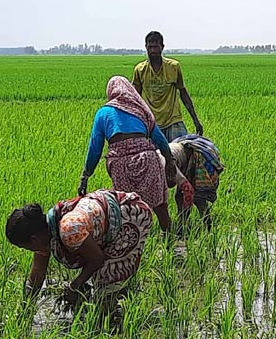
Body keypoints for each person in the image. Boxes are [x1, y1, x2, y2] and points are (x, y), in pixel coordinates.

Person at [77, 76, 192, 232]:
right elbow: (160, 139)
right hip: (148, 159)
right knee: (160, 206)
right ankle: (170, 240)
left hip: (120, 164)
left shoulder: (103, 113)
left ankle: (132, 244)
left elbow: (95, 148)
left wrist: (85, 175)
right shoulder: (142, 110)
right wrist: (169, 162)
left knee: (127, 209)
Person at [6, 189, 153, 306]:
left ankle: (116, 319)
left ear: (34, 239)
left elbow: (97, 259)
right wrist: (26, 306)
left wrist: (74, 286)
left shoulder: (68, 230)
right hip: (105, 219)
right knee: (96, 284)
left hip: (129, 215)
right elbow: (37, 273)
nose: (30, 251)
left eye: (25, 247)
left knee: (107, 285)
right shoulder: (45, 233)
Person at [131, 31, 203, 141]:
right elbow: (135, 98)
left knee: (181, 153)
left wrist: (196, 120)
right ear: (145, 47)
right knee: (152, 156)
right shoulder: (140, 70)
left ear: (162, 47)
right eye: (150, 47)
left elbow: (183, 93)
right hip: (151, 122)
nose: (153, 51)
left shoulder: (173, 67)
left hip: (173, 120)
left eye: (156, 47)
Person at [168, 134, 224, 230]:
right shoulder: (155, 165)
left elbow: (185, 190)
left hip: (192, 158)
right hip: (181, 159)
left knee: (198, 198)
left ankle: (207, 226)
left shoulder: (167, 165)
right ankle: (183, 223)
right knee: (178, 195)